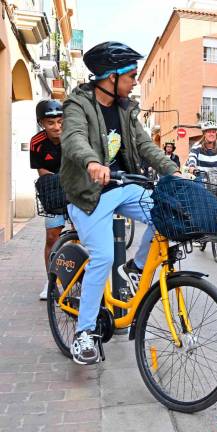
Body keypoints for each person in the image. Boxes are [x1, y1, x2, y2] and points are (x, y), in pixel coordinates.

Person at [60, 41, 182, 365]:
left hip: (122, 186)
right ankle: (84, 333)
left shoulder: (127, 109)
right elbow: (73, 138)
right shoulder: (78, 104)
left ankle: (136, 267)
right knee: (101, 256)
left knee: (166, 208)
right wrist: (91, 163)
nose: (135, 81)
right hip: (87, 195)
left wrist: (176, 172)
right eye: (130, 74)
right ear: (109, 77)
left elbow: (145, 146)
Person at [30, 99, 65, 300]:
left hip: (77, 189)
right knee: (52, 237)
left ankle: (80, 276)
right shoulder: (37, 142)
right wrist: (56, 179)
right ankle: (50, 281)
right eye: (51, 123)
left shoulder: (73, 138)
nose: (57, 127)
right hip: (53, 190)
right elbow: (40, 168)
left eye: (60, 121)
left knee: (84, 235)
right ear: (42, 123)